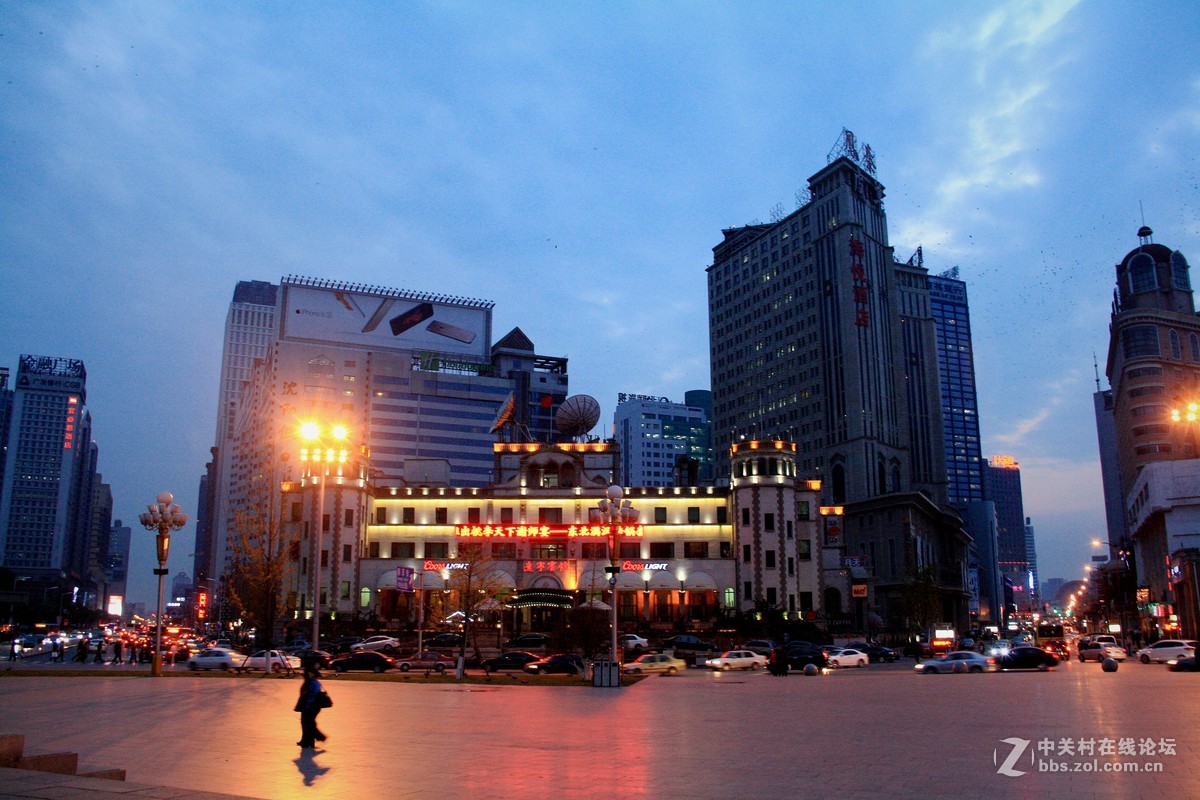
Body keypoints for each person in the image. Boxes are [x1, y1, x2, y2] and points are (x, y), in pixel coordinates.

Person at [294, 666, 328, 749]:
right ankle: (307, 741)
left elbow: (313, 695)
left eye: (310, 672)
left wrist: (307, 696)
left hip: (312, 706)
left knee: (308, 723)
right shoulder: (308, 682)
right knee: (305, 723)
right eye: (307, 672)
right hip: (307, 706)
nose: (308, 674)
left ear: (313, 673)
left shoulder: (314, 683)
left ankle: (317, 738)